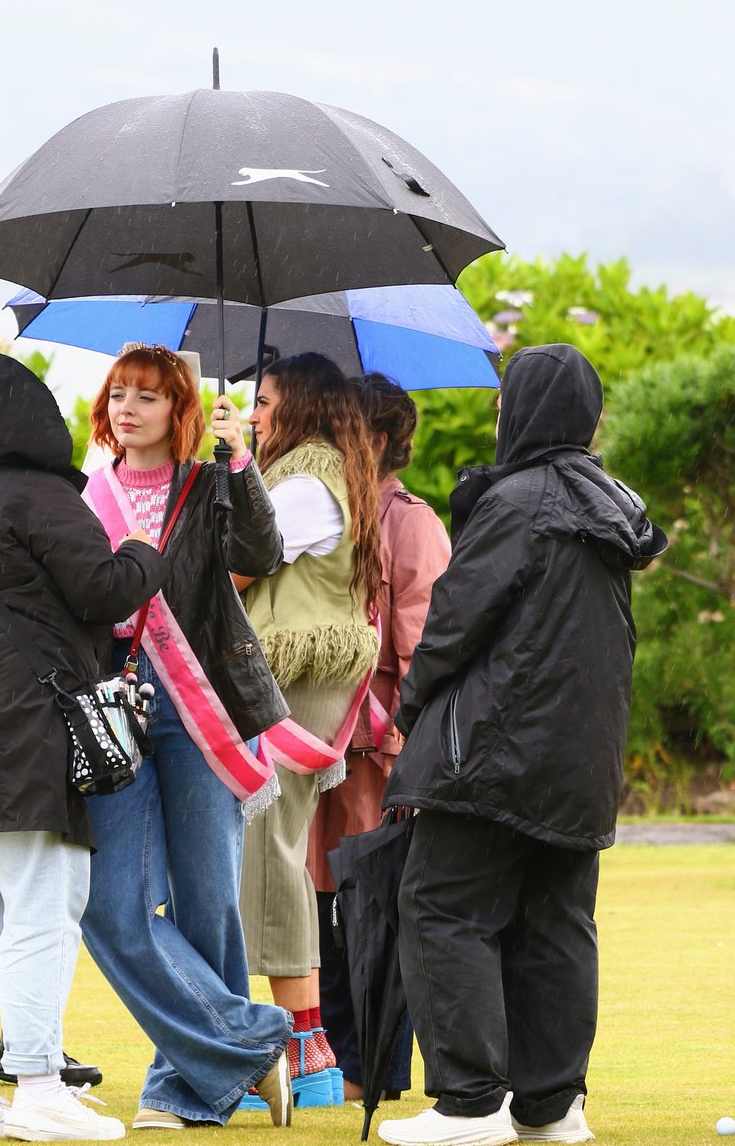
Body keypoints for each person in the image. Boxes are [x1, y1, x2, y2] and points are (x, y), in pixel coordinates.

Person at [376, 344, 668, 1146]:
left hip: (494, 753)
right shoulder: (611, 507)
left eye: (508, 401)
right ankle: (549, 1108)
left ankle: (470, 1102)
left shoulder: (519, 502)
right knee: (555, 924)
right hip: (581, 757)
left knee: (440, 904)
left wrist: (409, 705)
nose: (500, 414)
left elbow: (453, 623)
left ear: (525, 411)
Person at [0, 349, 168, 1141]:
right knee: (44, 905)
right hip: (21, 721)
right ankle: (40, 1087)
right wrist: (148, 553)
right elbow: (105, 591)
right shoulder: (42, 492)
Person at [78, 344, 294, 1130]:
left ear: (180, 410)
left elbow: (260, 555)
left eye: (149, 397)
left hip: (204, 708)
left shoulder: (208, 482)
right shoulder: (85, 490)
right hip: (117, 709)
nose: (130, 408)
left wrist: (242, 465)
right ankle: (252, 1044)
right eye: (120, 394)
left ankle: (184, 1085)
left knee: (208, 900)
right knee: (113, 902)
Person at [236, 352, 382, 1106]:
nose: (254, 413)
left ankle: (304, 1049)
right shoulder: (327, 471)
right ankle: (305, 1047)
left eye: (262, 401)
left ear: (298, 406)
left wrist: (230, 473)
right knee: (273, 849)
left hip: (287, 681)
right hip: (298, 681)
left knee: (269, 850)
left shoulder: (301, 482)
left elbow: (235, 566)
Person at [305, 374, 451, 1103]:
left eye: (344, 432)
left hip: (374, 756)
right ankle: (336, 1069)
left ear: (383, 439)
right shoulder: (331, 513)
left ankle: (374, 1076)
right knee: (322, 912)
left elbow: (427, 647)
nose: (330, 446)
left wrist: (392, 734)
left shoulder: (411, 521)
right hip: (315, 747)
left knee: (372, 913)